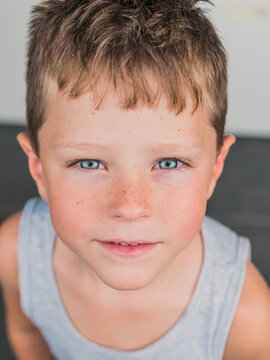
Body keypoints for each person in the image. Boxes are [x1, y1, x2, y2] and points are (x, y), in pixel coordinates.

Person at [0, 0, 270, 359]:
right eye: (90, 163)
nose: (130, 207)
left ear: (215, 168)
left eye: (170, 162)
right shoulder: (17, 256)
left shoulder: (244, 315)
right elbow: (27, 333)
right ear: (38, 168)